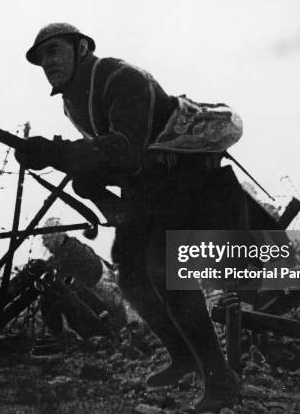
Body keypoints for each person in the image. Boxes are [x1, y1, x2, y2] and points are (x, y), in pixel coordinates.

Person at [15, 22, 247, 411]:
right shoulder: (73, 99)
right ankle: (183, 357)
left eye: (54, 51)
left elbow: (124, 151)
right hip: (150, 187)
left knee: (167, 272)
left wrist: (53, 153)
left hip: (188, 178)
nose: (47, 63)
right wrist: (66, 167)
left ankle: (221, 380)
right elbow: (103, 157)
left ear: (81, 48)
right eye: (41, 58)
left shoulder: (122, 78)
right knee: (131, 274)